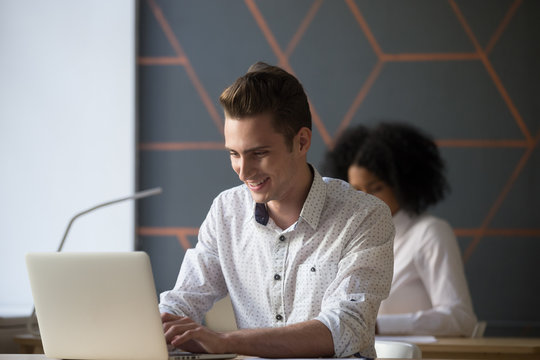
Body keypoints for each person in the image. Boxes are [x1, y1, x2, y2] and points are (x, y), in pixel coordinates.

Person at [159, 62, 395, 358]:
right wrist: (157, 325)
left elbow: (347, 327)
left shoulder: (364, 216)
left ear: (302, 141)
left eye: (259, 153)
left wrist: (227, 342)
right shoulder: (226, 211)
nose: (244, 171)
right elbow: (185, 299)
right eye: (234, 154)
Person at [320, 122, 478, 336]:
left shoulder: (429, 233)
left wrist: (376, 326)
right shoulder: (348, 241)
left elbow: (461, 319)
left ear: (401, 184)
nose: (365, 199)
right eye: (356, 190)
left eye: (376, 188)